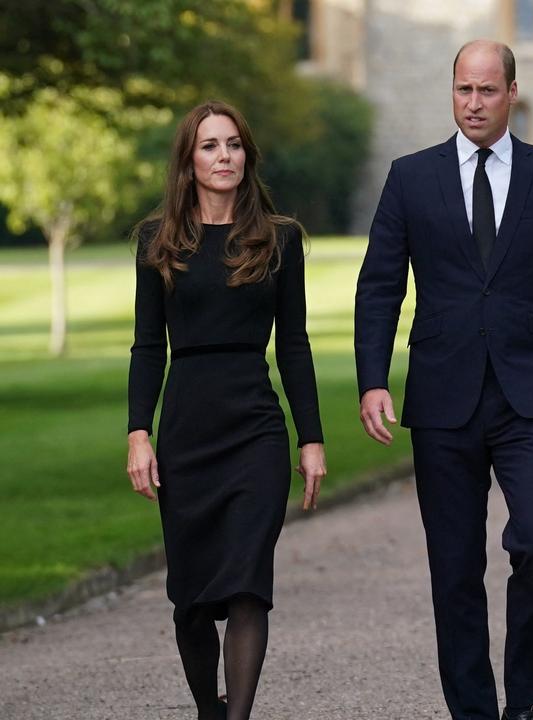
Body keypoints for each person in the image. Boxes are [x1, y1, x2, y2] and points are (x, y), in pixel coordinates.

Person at [353, 40, 533, 720]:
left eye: (487, 91)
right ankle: (473, 710)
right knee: (456, 567)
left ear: (512, 93)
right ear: (453, 92)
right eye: (464, 90)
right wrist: (371, 380)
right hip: (442, 395)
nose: (474, 103)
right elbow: (379, 287)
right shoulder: (411, 177)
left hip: (528, 395)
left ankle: (522, 694)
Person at [126, 101, 326, 720]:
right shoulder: (156, 241)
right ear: (189, 160)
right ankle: (208, 712)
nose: (224, 157)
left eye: (233, 145)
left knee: (247, 586)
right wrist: (138, 431)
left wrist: (310, 437)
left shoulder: (279, 238)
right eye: (210, 146)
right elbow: (146, 345)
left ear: (248, 156)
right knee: (189, 599)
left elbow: (293, 344)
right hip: (187, 429)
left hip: (255, 431)